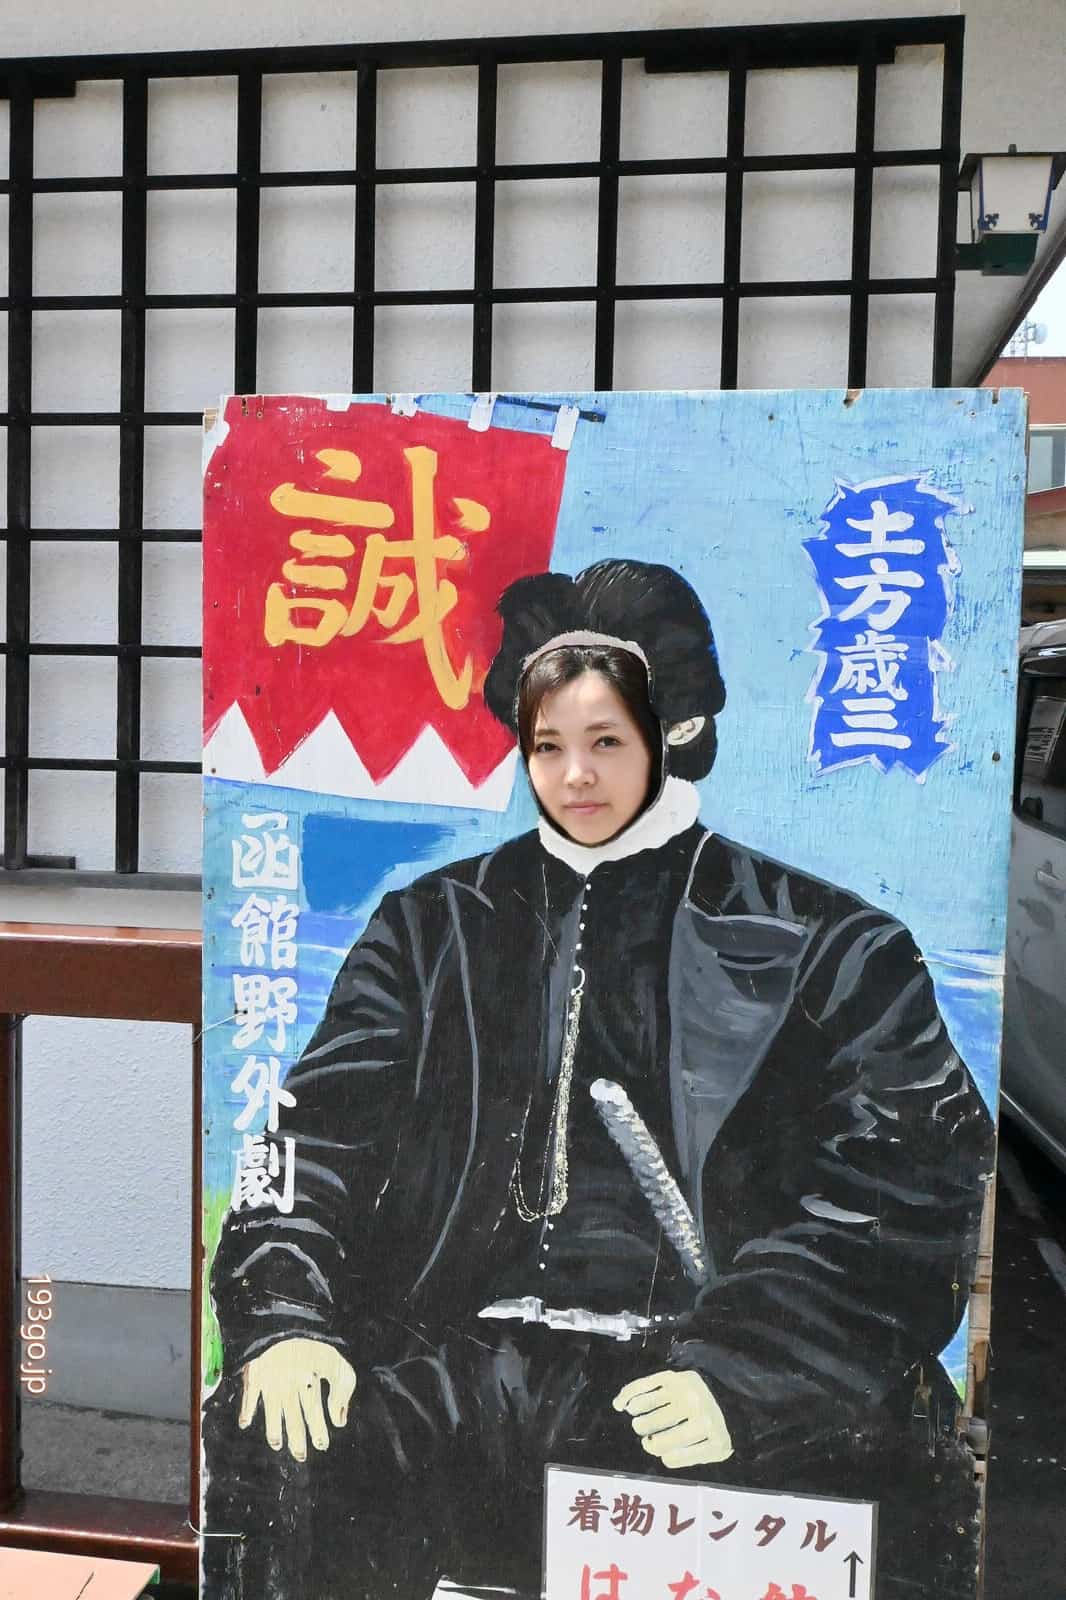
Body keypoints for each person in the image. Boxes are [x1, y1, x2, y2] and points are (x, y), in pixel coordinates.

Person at [204, 559, 993, 1600]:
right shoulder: (434, 926)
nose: (575, 776)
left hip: (708, 1366)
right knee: (280, 1427)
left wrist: (746, 1371)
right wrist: (286, 1317)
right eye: (548, 746)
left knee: (869, 1470)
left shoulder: (831, 942)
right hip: (457, 1364)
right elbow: (311, 1139)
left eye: (607, 743)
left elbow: (910, 1177)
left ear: (678, 731)